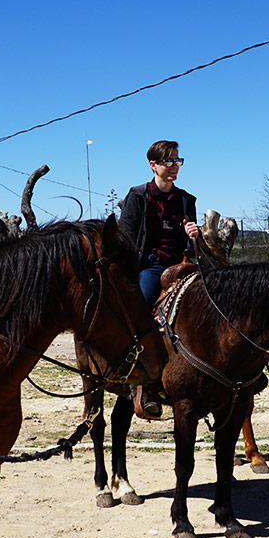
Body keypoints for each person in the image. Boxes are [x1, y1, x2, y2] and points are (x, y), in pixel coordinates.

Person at [117, 140, 200, 419]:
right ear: (153, 165)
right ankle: (143, 384)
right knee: (141, 310)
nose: (175, 167)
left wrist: (192, 234)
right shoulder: (138, 196)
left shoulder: (186, 199)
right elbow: (124, 237)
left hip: (182, 264)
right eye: (169, 162)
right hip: (151, 267)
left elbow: (188, 244)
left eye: (178, 161)